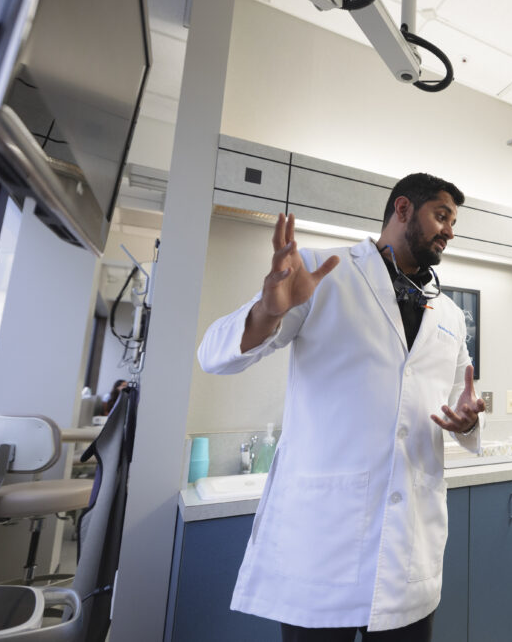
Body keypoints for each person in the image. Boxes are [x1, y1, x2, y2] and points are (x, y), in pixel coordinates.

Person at [197, 173, 485, 642]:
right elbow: (213, 356)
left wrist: (468, 421)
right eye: (442, 216)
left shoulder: (450, 315)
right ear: (403, 209)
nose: (450, 231)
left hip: (410, 551)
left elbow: (458, 403)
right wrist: (269, 311)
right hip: (323, 546)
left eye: (454, 222)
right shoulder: (321, 272)